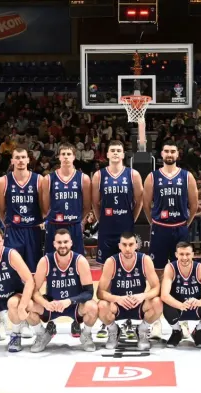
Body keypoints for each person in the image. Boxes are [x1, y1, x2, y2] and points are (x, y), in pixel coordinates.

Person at [143, 140, 198, 337]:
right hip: (160, 229)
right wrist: (155, 223)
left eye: (173, 151)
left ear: (178, 154)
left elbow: (194, 205)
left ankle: (181, 319)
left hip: (180, 229)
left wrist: (184, 223)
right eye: (166, 150)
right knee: (157, 275)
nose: (169, 154)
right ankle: (156, 320)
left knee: (182, 276)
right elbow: (146, 204)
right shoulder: (152, 176)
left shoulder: (187, 176)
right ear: (162, 153)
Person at [92, 140, 144, 338]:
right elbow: (95, 203)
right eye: (112, 150)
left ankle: (130, 318)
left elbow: (139, 201)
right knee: (108, 273)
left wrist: (131, 218)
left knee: (129, 272)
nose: (115, 153)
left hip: (125, 228)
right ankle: (108, 320)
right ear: (107, 154)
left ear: (124, 154)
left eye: (118, 150)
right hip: (107, 229)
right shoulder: (99, 175)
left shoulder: (133, 174)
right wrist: (101, 220)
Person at [41, 143, 92, 337]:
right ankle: (51, 318)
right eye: (62, 154)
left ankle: (76, 319)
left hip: (74, 227)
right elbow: (45, 207)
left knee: (77, 271)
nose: (65, 157)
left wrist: (78, 221)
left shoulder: (83, 178)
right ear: (58, 157)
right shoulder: (49, 179)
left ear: (74, 156)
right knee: (51, 272)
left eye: (69, 154)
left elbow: (87, 205)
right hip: (54, 227)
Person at [27, 229, 99, 352]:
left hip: (74, 305)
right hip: (52, 304)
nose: (62, 245)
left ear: (71, 243)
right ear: (54, 244)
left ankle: (86, 335)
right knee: (27, 305)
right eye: (59, 242)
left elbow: (89, 292)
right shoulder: (45, 261)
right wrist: (46, 303)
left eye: (65, 242)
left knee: (93, 306)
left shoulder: (80, 260)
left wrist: (69, 301)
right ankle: (41, 335)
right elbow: (34, 291)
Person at [97, 232, 163, 350]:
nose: (127, 248)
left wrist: (143, 296)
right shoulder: (111, 262)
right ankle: (113, 331)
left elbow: (157, 287)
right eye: (124, 245)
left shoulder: (144, 260)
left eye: (131, 244)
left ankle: (142, 330)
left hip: (138, 304)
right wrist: (117, 298)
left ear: (136, 245)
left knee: (157, 302)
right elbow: (100, 292)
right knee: (101, 305)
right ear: (119, 246)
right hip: (118, 305)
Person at [161, 241, 201, 348]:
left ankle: (199, 331)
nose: (184, 257)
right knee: (165, 304)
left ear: (193, 254)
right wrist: (180, 305)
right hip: (178, 308)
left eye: (187, 254)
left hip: (196, 306)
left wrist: (200, 302)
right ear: (176, 255)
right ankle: (176, 331)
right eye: (181, 254)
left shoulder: (200, 268)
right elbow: (164, 295)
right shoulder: (170, 268)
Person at [0, 148, 44, 274]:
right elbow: (1, 209)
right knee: (13, 270)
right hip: (13, 230)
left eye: (23, 157)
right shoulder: (3, 181)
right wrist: (7, 222)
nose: (20, 160)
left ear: (28, 160)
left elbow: (44, 207)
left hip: (33, 229)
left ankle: (32, 293)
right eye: (17, 157)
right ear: (12, 161)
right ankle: (15, 294)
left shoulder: (39, 180)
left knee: (34, 271)